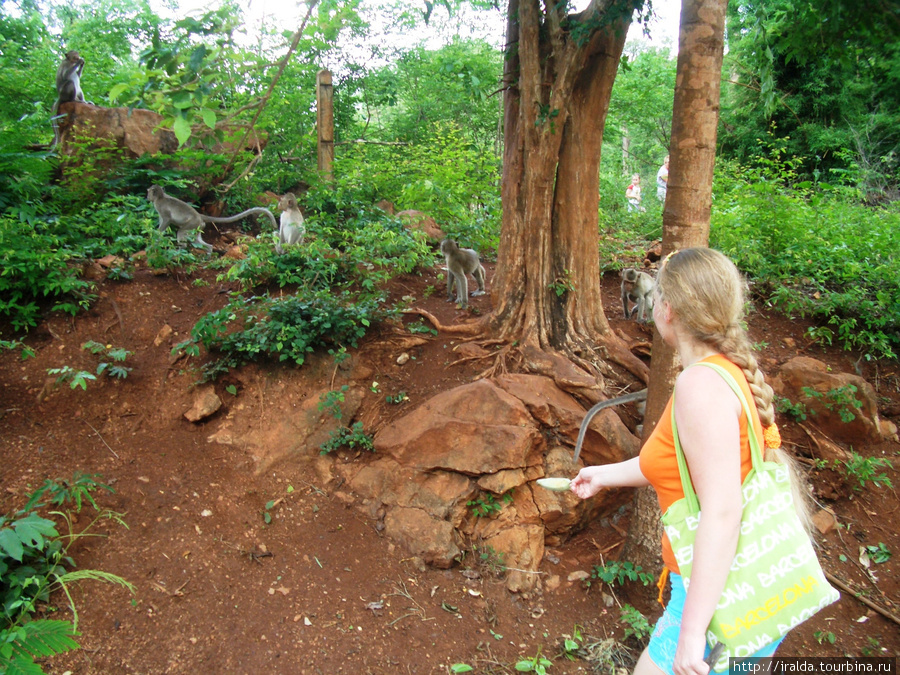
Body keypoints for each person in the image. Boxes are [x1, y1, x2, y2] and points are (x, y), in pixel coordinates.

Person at [571, 248, 805, 675]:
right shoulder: (727, 371)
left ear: (668, 308)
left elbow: (722, 511)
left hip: (714, 597)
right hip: (751, 587)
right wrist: (601, 475)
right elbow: (671, 464)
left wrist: (692, 633)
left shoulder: (700, 385)